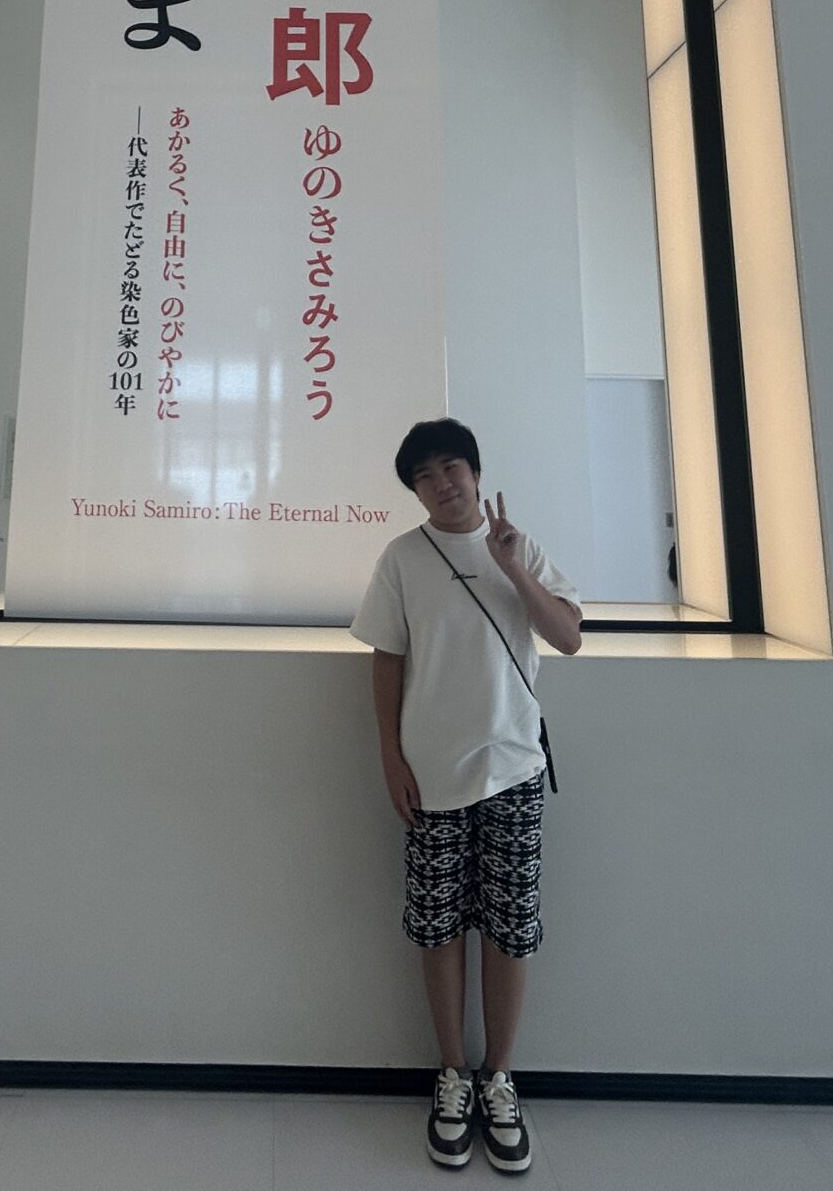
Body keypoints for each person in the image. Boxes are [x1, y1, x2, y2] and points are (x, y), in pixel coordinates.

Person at [351, 419, 583, 1173]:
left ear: (476, 473)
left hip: (513, 769)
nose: (441, 483)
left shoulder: (520, 547)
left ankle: (499, 1079)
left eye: (451, 466)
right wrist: (390, 755)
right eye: (424, 475)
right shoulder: (402, 558)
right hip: (431, 777)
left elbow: (569, 637)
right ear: (414, 490)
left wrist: (512, 568)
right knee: (438, 927)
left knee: (510, 929)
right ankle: (452, 1076)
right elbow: (386, 659)